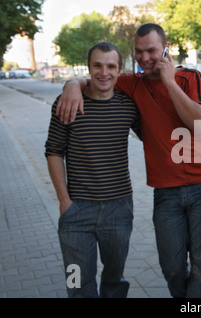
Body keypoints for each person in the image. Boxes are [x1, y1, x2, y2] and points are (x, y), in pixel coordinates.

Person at [56, 23, 201, 298]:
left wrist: (168, 81)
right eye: (139, 52)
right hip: (165, 192)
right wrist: (72, 84)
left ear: (166, 49)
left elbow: (200, 124)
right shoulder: (133, 84)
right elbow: (100, 77)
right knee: (172, 267)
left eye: (152, 51)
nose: (145, 58)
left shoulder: (191, 78)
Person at [45, 42, 141, 297]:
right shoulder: (66, 103)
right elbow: (54, 151)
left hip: (119, 210)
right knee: (77, 281)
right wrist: (64, 201)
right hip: (76, 212)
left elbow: (155, 136)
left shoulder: (128, 107)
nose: (104, 72)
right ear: (88, 68)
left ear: (120, 70)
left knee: (114, 277)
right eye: (97, 65)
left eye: (111, 66)